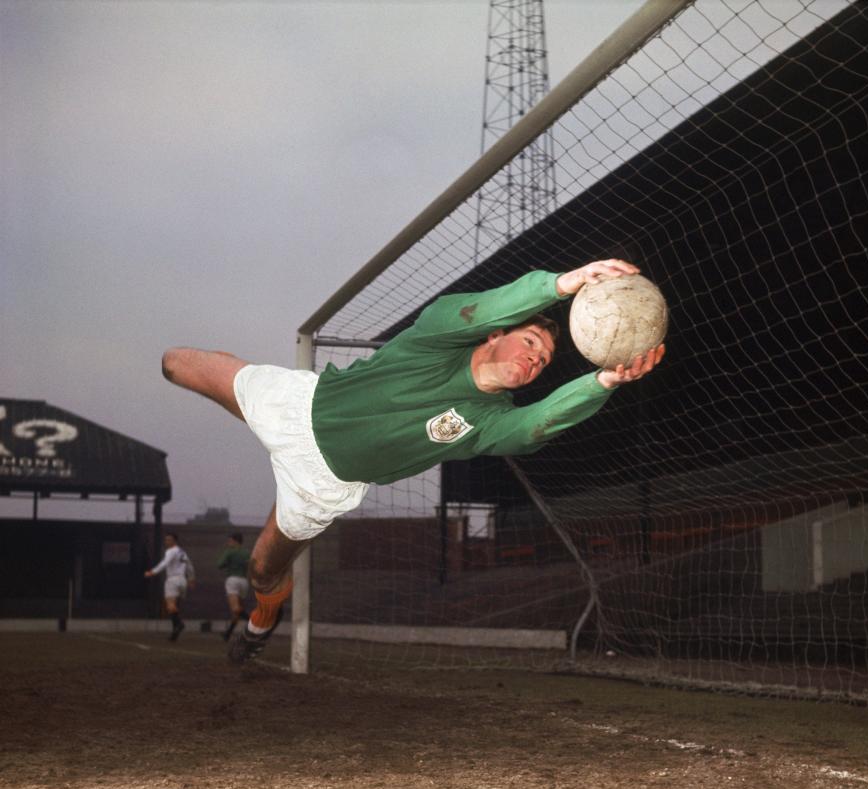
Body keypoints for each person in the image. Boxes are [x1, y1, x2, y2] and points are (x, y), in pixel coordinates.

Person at [161, 259, 665, 663]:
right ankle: (230, 372)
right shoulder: (436, 337)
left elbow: (535, 427)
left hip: (317, 482)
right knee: (175, 362)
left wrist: (603, 382)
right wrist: (561, 284)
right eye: (530, 342)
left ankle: (259, 625)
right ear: (495, 335)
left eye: (544, 362)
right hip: (295, 405)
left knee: (261, 571)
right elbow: (479, 308)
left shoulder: (488, 420)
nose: (535, 359)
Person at [144, 532, 196, 641]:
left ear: (174, 541)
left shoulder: (170, 551)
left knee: (170, 606)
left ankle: (179, 624)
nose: (166, 541)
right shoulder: (182, 552)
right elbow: (189, 565)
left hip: (172, 580)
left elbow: (164, 563)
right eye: (166, 539)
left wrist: (152, 572)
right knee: (175, 606)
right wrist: (191, 578)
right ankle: (174, 633)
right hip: (182, 580)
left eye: (169, 540)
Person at [217, 531, 251, 641]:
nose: (228, 543)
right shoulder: (247, 553)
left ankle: (254, 622)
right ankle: (228, 633)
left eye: (230, 540)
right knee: (238, 609)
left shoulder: (229, 552)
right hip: (244, 581)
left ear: (235, 541)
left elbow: (219, 565)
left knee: (235, 609)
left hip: (233, 580)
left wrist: (228, 563)